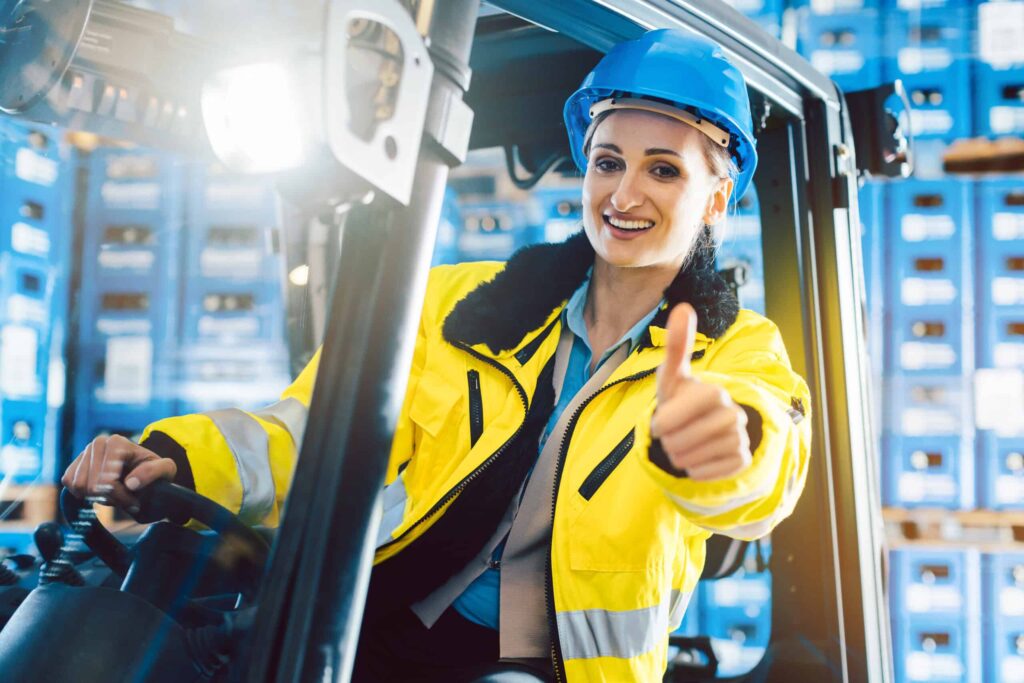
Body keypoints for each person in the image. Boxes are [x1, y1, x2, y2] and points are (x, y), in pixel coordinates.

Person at [63, 29, 811, 682]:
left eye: (664, 169)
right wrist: (175, 457)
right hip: (373, 617)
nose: (624, 192)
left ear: (717, 198)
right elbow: (314, 427)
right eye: (608, 160)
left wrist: (723, 448)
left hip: (549, 666)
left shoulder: (734, 355)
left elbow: (772, 457)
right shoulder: (466, 305)